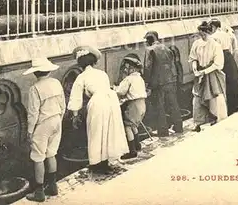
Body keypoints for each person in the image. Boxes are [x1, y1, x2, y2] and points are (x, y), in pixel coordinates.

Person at [67, 46, 128, 174]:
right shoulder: (102, 73)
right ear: (93, 62)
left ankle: (96, 163)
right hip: (111, 100)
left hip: (98, 102)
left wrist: (75, 115)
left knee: (96, 132)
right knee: (109, 130)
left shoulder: (81, 77)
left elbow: (75, 98)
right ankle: (106, 162)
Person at [23, 57, 66, 202]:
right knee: (51, 153)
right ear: (48, 70)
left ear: (35, 73)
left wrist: (29, 131)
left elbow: (33, 113)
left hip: (43, 124)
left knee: (38, 156)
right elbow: (62, 104)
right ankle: (52, 186)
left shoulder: (35, 88)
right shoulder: (56, 83)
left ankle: (39, 192)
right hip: (56, 119)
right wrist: (59, 118)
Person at [189, 21, 228, 132]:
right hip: (200, 73)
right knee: (197, 98)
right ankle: (198, 122)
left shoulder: (215, 45)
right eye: (200, 33)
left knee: (214, 97)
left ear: (208, 32)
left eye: (204, 33)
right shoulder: (196, 43)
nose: (202, 36)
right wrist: (195, 68)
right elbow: (193, 57)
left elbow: (218, 64)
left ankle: (216, 119)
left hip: (212, 73)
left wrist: (204, 72)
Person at [143, 31, 183, 137]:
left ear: (148, 40)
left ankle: (163, 131)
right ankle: (179, 127)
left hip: (158, 83)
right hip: (170, 80)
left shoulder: (149, 50)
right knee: (173, 104)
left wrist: (146, 83)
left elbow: (148, 68)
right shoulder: (166, 48)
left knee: (159, 107)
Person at [113, 56, 147, 160]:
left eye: (127, 68)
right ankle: (137, 145)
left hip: (134, 105)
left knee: (127, 126)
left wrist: (114, 88)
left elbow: (120, 92)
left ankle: (132, 151)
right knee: (134, 125)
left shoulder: (129, 79)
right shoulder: (139, 78)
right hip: (142, 104)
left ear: (132, 69)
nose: (125, 70)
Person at [209, 18, 238, 115]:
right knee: (233, 80)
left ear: (213, 27)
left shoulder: (213, 37)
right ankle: (236, 105)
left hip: (221, 56)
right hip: (229, 56)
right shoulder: (226, 34)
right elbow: (230, 48)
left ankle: (226, 108)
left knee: (224, 82)